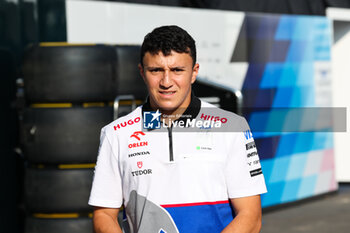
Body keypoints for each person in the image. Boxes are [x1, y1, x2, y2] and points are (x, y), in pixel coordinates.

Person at [89, 25, 267, 233]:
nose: (166, 82)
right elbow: (104, 214)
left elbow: (251, 217)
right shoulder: (116, 134)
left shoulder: (232, 127)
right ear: (142, 72)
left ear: (194, 73)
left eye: (177, 70)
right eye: (156, 70)